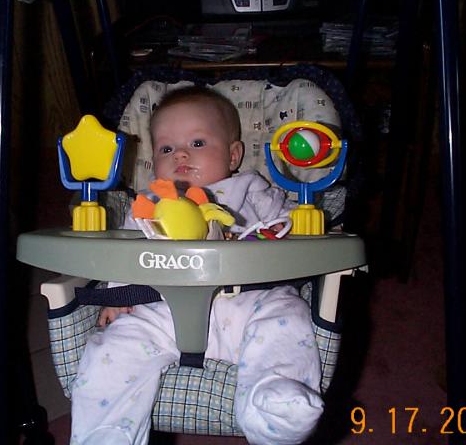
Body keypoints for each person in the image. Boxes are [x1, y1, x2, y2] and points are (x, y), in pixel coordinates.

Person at [70, 86, 324, 445]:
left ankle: (273, 402)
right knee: (112, 350)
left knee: (288, 317)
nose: (181, 154)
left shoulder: (250, 189)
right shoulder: (148, 202)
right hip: (163, 310)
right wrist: (118, 291)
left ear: (233, 155)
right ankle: (106, 433)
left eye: (198, 143)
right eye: (166, 149)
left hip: (247, 302)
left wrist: (301, 228)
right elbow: (125, 250)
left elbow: (288, 227)